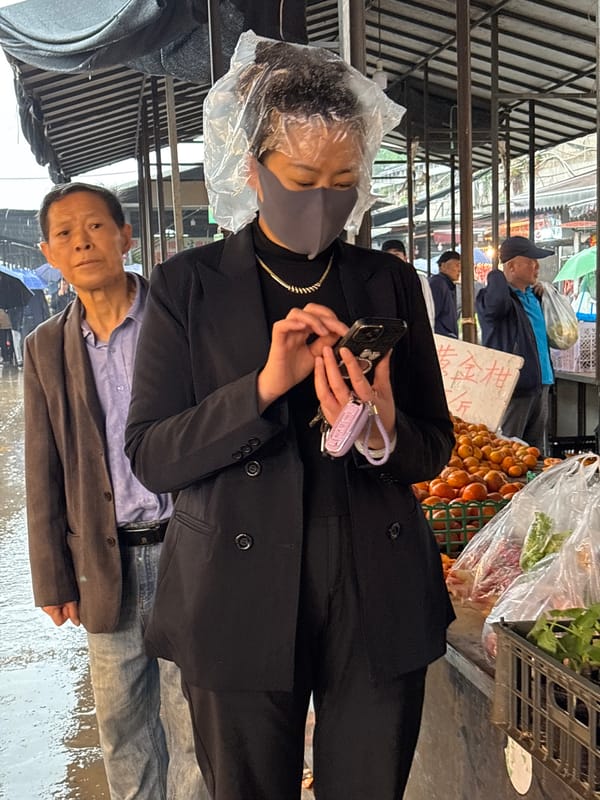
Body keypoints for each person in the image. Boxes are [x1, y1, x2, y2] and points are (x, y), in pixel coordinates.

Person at [125, 32, 455, 800]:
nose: (323, 197)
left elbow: (434, 446)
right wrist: (263, 388)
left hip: (374, 581)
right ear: (253, 169)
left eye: (344, 179)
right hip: (234, 591)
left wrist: (380, 431)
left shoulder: (387, 282)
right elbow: (152, 455)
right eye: (303, 176)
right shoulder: (186, 287)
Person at [23, 183, 208, 800]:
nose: (83, 242)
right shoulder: (46, 347)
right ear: (49, 252)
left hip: (190, 547)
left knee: (194, 720)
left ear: (127, 236)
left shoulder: (179, 321)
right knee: (123, 725)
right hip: (106, 562)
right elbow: (42, 469)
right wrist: (51, 579)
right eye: (67, 233)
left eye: (97, 226)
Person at [476, 235, 555, 454]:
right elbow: (496, 305)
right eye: (530, 260)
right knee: (510, 452)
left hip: (541, 383)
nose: (536, 266)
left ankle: (533, 487)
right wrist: (496, 275)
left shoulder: (534, 296)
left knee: (534, 453)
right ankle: (512, 490)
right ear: (512, 265)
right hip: (515, 389)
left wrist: (543, 293)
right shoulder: (493, 298)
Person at [382, 239, 435, 329]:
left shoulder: (419, 280)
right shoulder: (381, 282)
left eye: (396, 255)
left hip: (415, 330)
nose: (392, 259)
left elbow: (428, 309)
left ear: (405, 258)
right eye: (387, 256)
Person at [429, 250, 461, 337]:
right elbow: (432, 313)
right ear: (443, 266)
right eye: (457, 265)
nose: (460, 270)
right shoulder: (438, 283)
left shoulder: (447, 284)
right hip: (442, 337)